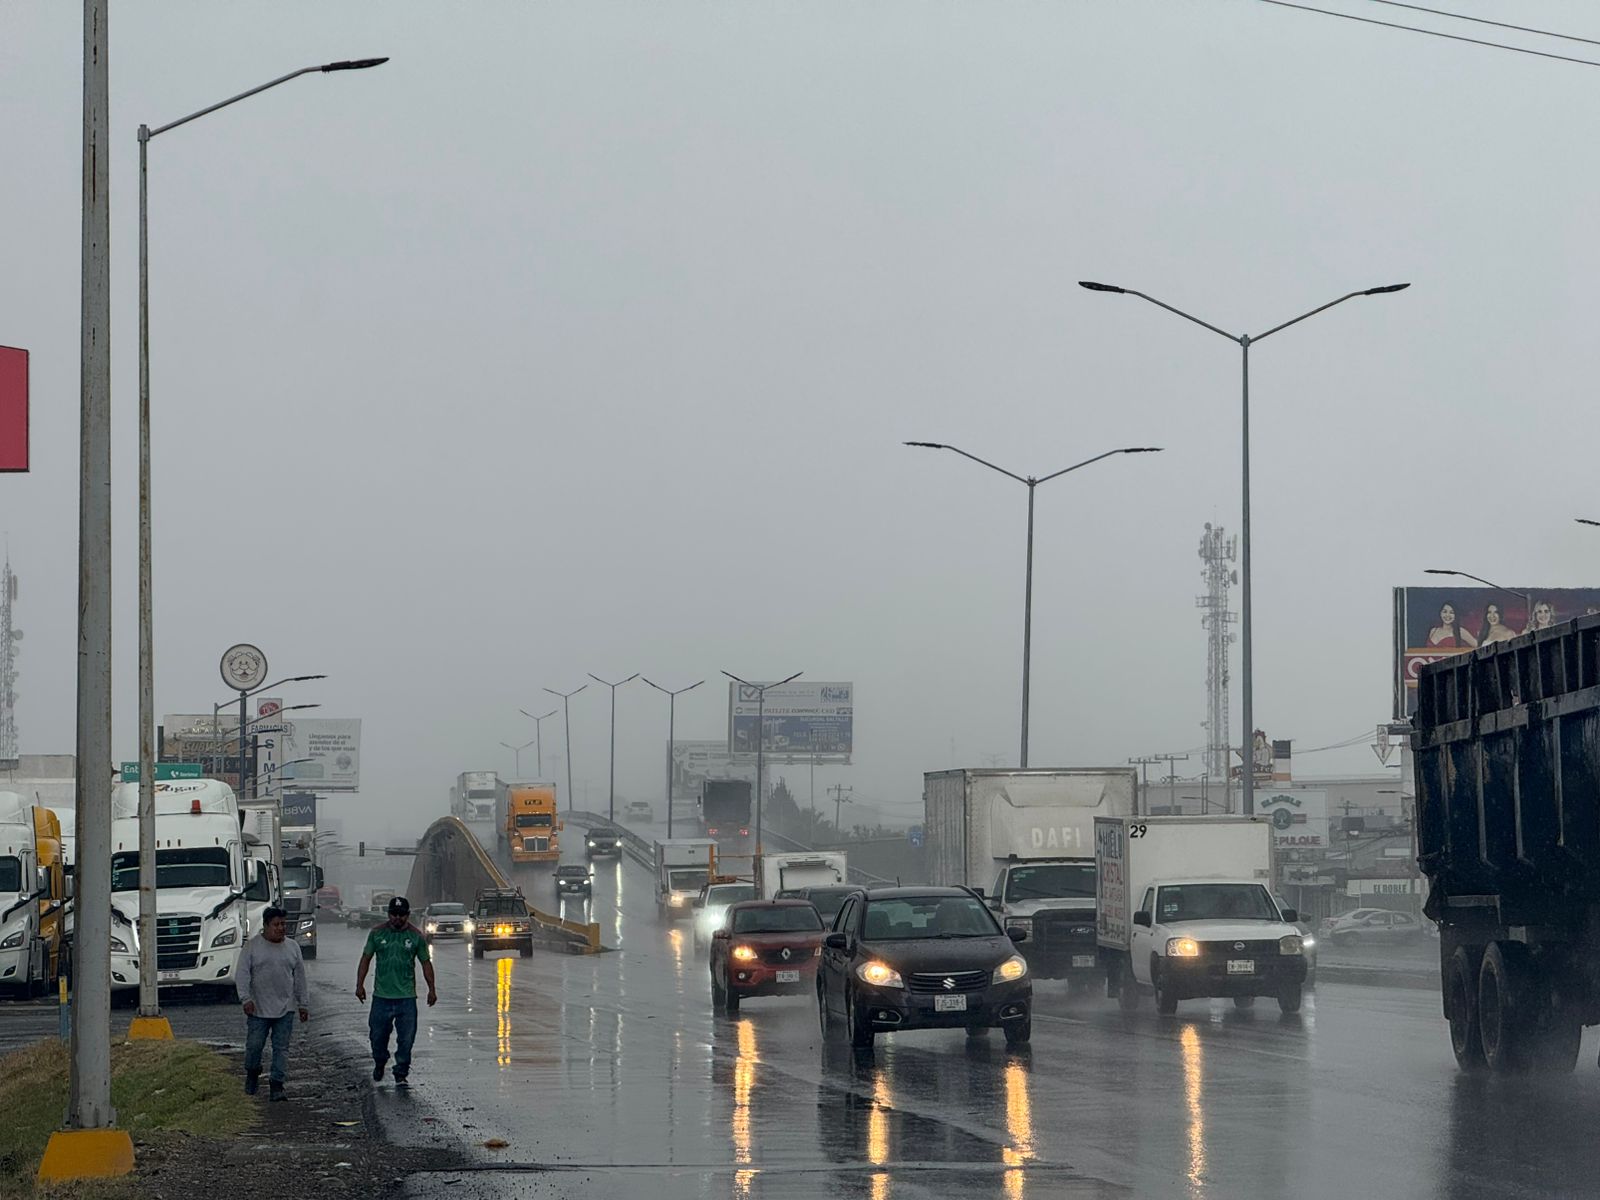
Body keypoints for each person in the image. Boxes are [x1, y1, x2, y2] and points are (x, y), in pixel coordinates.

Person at [356, 895, 437, 1087]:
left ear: (408, 915)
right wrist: (360, 985)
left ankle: (401, 1071)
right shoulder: (377, 934)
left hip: (406, 998)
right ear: (388, 914)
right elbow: (366, 958)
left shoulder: (416, 936)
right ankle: (380, 1061)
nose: (397, 918)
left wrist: (432, 989)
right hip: (381, 998)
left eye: (402, 915)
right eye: (394, 914)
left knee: (406, 1039)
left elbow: (426, 963)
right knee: (377, 1036)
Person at [236, 905, 310, 1102]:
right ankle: (252, 1073)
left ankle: (277, 1085)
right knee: (254, 1046)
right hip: (258, 1008)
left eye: (283, 924)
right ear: (266, 926)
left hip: (286, 1009)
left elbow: (300, 977)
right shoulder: (252, 947)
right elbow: (242, 975)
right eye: (276, 924)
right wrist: (245, 999)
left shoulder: (293, 947)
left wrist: (303, 1004)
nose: (280, 928)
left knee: (281, 1048)